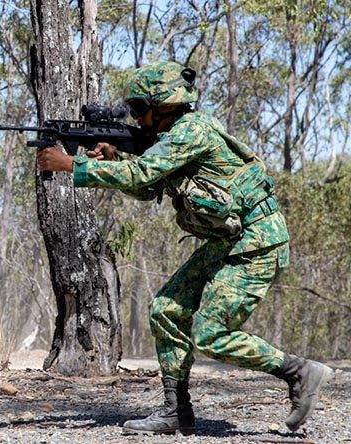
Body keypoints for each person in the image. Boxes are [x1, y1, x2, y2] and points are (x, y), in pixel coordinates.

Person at [36, 61, 332, 435]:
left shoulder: (190, 132)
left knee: (210, 333)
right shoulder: (172, 136)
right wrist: (114, 158)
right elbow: (146, 187)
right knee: (166, 309)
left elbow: (143, 174)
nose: (137, 119)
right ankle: (177, 411)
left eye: (139, 110)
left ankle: (299, 371)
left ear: (163, 105)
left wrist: (73, 166)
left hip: (256, 242)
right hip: (229, 240)